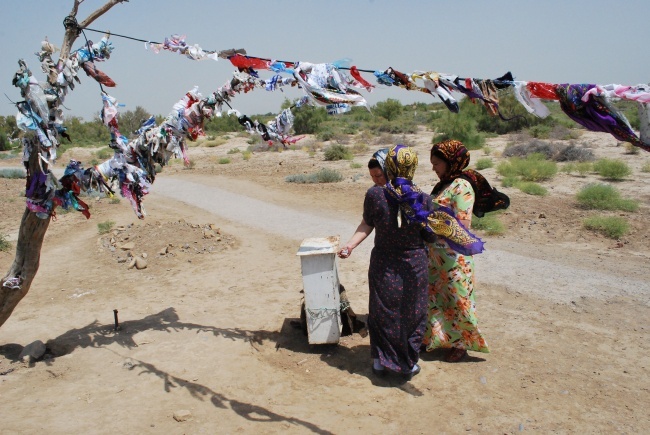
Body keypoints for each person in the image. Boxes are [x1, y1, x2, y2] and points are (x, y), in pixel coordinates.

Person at [338, 145, 432, 380]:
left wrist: (350, 245)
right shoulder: (422, 199)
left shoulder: (375, 195)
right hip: (414, 265)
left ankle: (381, 361)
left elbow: (366, 224)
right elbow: (430, 237)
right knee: (412, 312)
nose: (377, 180)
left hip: (384, 262)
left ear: (390, 167)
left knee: (383, 311)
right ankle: (407, 363)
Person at [424, 139, 492, 362]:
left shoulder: (462, 186)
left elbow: (461, 224)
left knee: (458, 300)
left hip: (454, 258)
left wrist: (428, 223)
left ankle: (462, 344)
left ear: (450, 161)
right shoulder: (444, 184)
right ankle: (437, 339)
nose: (433, 168)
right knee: (438, 300)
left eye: (436, 163)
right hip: (437, 258)